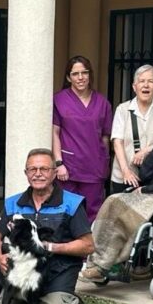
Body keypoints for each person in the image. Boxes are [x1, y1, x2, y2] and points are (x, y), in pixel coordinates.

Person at [80, 104, 153, 284]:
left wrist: (146, 189)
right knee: (113, 199)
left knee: (127, 210)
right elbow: (145, 174)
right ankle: (94, 260)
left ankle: (104, 264)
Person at [0, 149, 94, 304]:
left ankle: (70, 302)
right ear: (26, 173)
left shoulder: (71, 203)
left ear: (54, 172)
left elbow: (88, 245)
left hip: (58, 274)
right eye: (32, 169)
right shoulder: (13, 203)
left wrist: (50, 247)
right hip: (25, 276)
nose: (38, 174)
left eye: (44, 169)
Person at [52, 55, 112, 221]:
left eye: (84, 73)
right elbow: (55, 133)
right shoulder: (59, 100)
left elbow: (106, 137)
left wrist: (104, 162)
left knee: (93, 211)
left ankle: (89, 246)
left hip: (94, 166)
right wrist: (59, 163)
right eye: (75, 74)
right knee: (66, 209)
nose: (80, 77)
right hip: (68, 167)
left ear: (90, 75)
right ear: (68, 77)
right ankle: (68, 245)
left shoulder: (102, 102)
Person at [110, 64, 153, 195]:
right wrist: (126, 171)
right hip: (125, 173)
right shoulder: (123, 109)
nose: (146, 85)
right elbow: (117, 142)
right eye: (141, 81)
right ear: (134, 86)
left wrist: (145, 151)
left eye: (150, 81)